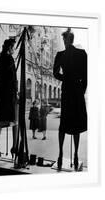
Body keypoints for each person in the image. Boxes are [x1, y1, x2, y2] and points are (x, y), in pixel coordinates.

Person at [53, 28, 87, 171]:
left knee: (64, 123)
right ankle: (76, 155)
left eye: (64, 39)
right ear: (71, 39)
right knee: (76, 125)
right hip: (76, 92)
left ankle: (61, 154)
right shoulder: (82, 54)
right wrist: (81, 90)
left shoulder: (60, 55)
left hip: (67, 91)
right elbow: (86, 77)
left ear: (66, 40)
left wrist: (65, 79)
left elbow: (55, 73)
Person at [0, 38, 18, 159]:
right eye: (13, 47)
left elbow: (2, 78)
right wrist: (15, 91)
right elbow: (11, 78)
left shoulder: (2, 59)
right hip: (8, 94)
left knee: (3, 119)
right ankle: (14, 147)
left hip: (4, 94)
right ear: (9, 47)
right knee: (14, 120)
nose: (14, 50)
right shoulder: (8, 59)